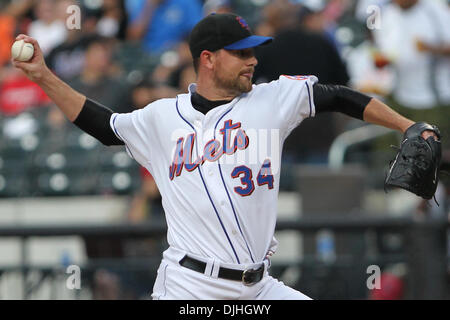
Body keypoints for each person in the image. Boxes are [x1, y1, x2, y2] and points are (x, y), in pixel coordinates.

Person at [12, 13, 438, 300]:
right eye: (242, 53)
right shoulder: (162, 118)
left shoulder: (274, 99)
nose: (253, 60)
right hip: (190, 286)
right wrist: (45, 77)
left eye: (254, 51)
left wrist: (406, 125)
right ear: (208, 59)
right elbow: (103, 126)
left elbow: (340, 97)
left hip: (260, 287)